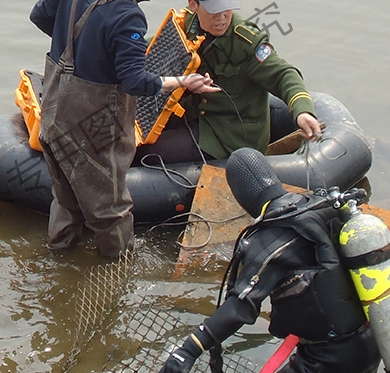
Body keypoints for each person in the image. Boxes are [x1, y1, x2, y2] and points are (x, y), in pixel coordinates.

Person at [29, 0, 219, 257]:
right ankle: (118, 276)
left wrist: (79, 49)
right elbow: (135, 83)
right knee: (111, 210)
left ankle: (58, 260)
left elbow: (40, 14)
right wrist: (182, 83)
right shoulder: (127, 14)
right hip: (94, 129)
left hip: (53, 114)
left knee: (65, 199)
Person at [159, 147, 381, 373]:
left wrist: (188, 350)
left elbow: (241, 306)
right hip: (374, 338)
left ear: (241, 195)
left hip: (330, 358)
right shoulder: (315, 204)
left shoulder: (271, 236)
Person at [135, 0, 321, 164]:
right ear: (194, 5)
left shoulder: (246, 43)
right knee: (129, 138)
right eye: (214, 11)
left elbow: (284, 75)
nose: (222, 18)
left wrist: (303, 111)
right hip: (191, 112)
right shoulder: (188, 22)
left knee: (149, 155)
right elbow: (156, 46)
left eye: (227, 10)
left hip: (227, 133)